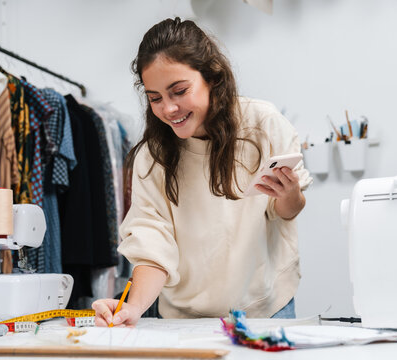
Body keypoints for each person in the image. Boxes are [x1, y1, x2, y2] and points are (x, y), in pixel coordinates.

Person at [92, 17, 312, 327]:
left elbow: (286, 211)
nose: (168, 109)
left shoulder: (264, 123)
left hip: (266, 309)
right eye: (155, 98)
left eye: (179, 91)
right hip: (183, 319)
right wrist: (133, 307)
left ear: (212, 78)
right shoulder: (151, 157)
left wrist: (290, 194)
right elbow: (153, 245)